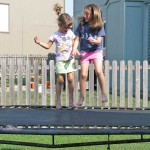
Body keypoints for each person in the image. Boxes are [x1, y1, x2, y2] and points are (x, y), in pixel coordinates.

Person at [34, 9, 77, 109]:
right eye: (65, 27)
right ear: (60, 25)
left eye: (68, 27)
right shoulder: (55, 35)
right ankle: (58, 102)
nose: (67, 29)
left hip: (70, 59)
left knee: (71, 79)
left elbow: (74, 43)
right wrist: (39, 42)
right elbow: (48, 46)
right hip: (60, 60)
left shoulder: (70, 33)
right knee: (60, 80)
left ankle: (71, 101)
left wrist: (76, 51)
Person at [72, 4, 108, 106]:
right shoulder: (82, 24)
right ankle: (82, 97)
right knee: (83, 75)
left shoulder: (99, 26)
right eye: (84, 14)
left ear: (94, 14)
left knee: (99, 71)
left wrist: (95, 40)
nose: (85, 16)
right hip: (85, 52)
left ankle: (104, 93)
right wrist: (74, 48)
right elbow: (77, 38)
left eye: (87, 14)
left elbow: (99, 40)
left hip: (96, 51)